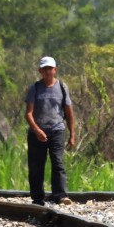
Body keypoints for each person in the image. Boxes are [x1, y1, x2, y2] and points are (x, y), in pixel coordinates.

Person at [24, 56, 75, 206]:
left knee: (58, 162)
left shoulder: (62, 88)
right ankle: (38, 198)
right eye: (45, 69)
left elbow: (69, 112)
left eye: (50, 69)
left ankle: (60, 195)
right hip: (37, 133)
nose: (48, 72)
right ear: (40, 71)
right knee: (36, 166)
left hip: (57, 130)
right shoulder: (35, 88)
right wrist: (36, 130)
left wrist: (72, 134)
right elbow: (28, 113)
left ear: (55, 70)